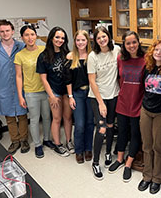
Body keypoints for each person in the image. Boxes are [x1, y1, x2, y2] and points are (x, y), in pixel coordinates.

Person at [108, 31, 145, 182]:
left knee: (135, 134)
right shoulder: (120, 59)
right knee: (122, 132)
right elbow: (117, 78)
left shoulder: (145, 60)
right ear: (124, 45)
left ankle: (129, 164)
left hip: (138, 104)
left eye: (134, 42)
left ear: (138, 42)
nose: (131, 45)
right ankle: (119, 159)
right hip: (123, 103)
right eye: (128, 43)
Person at [138, 38, 161, 194]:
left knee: (158, 146)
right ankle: (147, 175)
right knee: (146, 145)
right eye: (156, 49)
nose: (158, 53)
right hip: (146, 110)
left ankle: (157, 178)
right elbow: (142, 88)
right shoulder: (147, 67)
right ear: (152, 51)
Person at [0, 19, 28, 155]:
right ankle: (15, 141)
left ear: (12, 31)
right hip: (2, 87)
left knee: (22, 114)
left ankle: (24, 140)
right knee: (9, 117)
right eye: (2, 31)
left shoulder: (21, 46)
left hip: (20, 86)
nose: (5, 34)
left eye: (7, 31)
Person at [15, 24, 53, 159]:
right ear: (22, 38)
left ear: (36, 36)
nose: (30, 38)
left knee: (47, 117)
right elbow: (19, 76)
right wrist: (20, 95)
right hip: (31, 92)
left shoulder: (44, 50)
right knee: (35, 119)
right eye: (26, 35)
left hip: (46, 90)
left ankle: (47, 139)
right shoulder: (19, 55)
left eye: (32, 34)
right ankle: (37, 145)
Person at [88, 26, 120, 180]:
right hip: (97, 97)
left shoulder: (117, 50)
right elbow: (92, 81)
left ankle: (108, 153)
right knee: (101, 128)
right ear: (95, 40)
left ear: (108, 37)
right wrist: (101, 103)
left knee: (110, 126)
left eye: (104, 36)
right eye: (98, 38)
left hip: (114, 95)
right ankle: (95, 162)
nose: (102, 40)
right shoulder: (93, 56)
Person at [36, 26, 74, 157]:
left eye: (63, 38)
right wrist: (51, 96)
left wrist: (70, 95)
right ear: (51, 38)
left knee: (68, 118)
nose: (60, 40)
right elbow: (43, 79)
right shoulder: (43, 56)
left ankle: (69, 142)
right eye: (57, 37)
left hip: (67, 91)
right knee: (57, 118)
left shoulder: (68, 54)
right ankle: (58, 144)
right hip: (54, 92)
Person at [66, 30, 94, 164]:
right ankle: (79, 150)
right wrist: (70, 96)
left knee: (90, 123)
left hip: (90, 93)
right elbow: (68, 79)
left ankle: (88, 148)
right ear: (75, 41)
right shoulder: (71, 56)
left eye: (83, 40)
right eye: (78, 40)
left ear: (87, 41)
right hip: (77, 94)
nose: (80, 43)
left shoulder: (92, 56)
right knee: (80, 124)